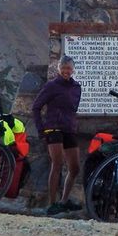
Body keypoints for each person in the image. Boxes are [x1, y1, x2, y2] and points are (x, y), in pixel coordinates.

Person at [32, 55, 83, 214]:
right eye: (64, 68)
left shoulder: (76, 87)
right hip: (53, 127)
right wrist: (41, 129)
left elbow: (73, 108)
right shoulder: (51, 86)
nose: (66, 71)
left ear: (73, 69)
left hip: (69, 129)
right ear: (59, 69)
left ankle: (64, 200)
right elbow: (36, 107)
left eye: (69, 68)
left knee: (74, 168)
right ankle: (52, 203)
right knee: (57, 163)